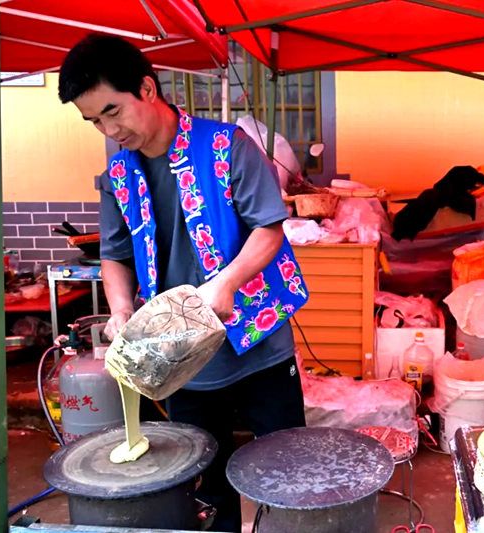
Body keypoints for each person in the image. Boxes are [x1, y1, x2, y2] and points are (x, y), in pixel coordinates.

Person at [58, 34, 308, 531]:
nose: (110, 129)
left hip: (257, 342)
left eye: (113, 112)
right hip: (177, 360)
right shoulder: (117, 174)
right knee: (205, 489)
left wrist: (227, 282)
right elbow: (115, 254)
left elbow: (269, 229)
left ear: (147, 89)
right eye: (95, 122)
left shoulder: (226, 146)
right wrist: (121, 311)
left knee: (286, 475)